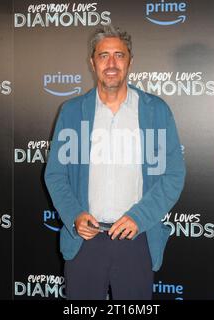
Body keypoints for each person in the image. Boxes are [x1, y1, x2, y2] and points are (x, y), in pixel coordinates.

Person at [44, 25, 186, 300]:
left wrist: (140, 217)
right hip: (84, 241)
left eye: (119, 55)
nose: (111, 63)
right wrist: (75, 215)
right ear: (92, 62)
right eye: (103, 55)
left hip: (136, 239)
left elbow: (173, 174)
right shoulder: (73, 113)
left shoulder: (155, 111)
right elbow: (56, 175)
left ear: (130, 61)